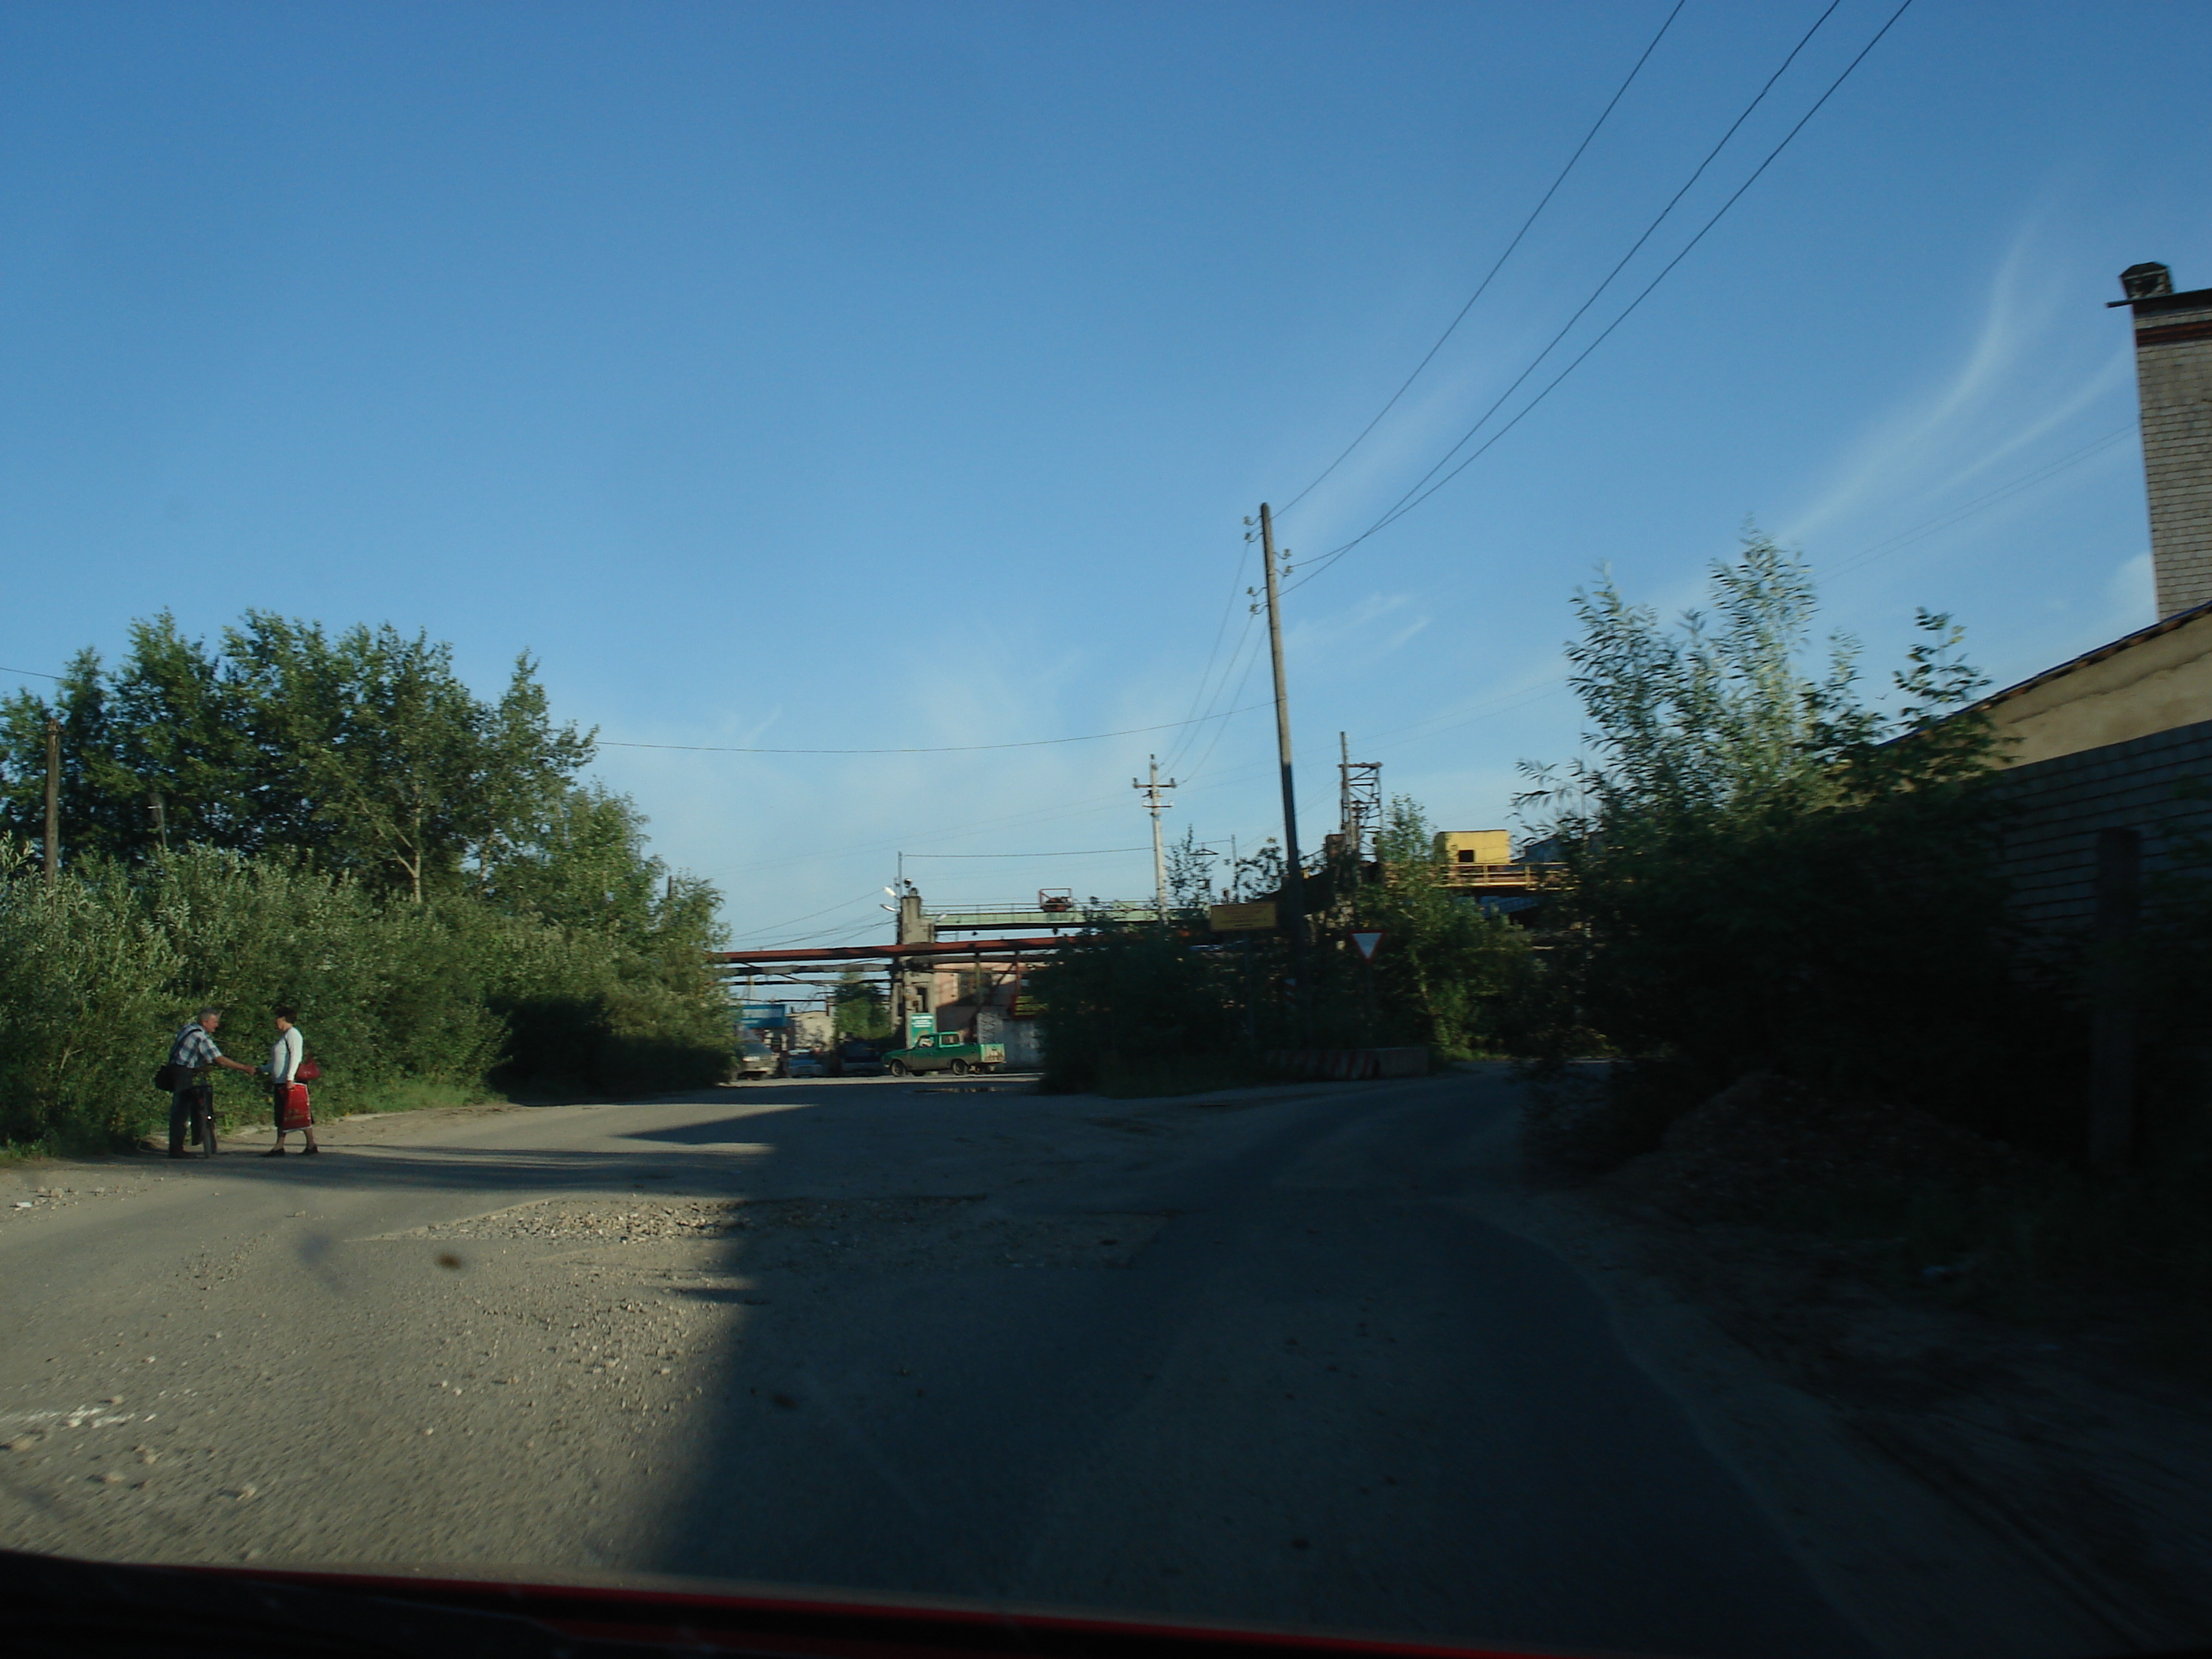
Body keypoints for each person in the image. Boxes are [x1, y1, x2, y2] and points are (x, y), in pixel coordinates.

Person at [167, 1008, 257, 1159]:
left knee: (184, 1106)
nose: (217, 1025)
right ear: (205, 1021)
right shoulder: (200, 1037)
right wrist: (244, 1068)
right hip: (183, 1073)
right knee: (181, 1111)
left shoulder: (188, 1028)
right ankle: (176, 1149)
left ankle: (190, 1139)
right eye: (214, 1022)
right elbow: (219, 1059)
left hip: (175, 1070)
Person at [262, 1005, 318, 1157]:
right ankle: (284, 1146)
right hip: (281, 1081)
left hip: (289, 1082)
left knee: (295, 1112)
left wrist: (290, 1078)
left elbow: (296, 1056)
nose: (275, 1022)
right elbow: (278, 1062)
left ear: (283, 1019)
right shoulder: (284, 1036)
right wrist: (261, 1069)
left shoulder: (293, 1034)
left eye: (277, 1018)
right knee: (285, 1114)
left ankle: (307, 1144)